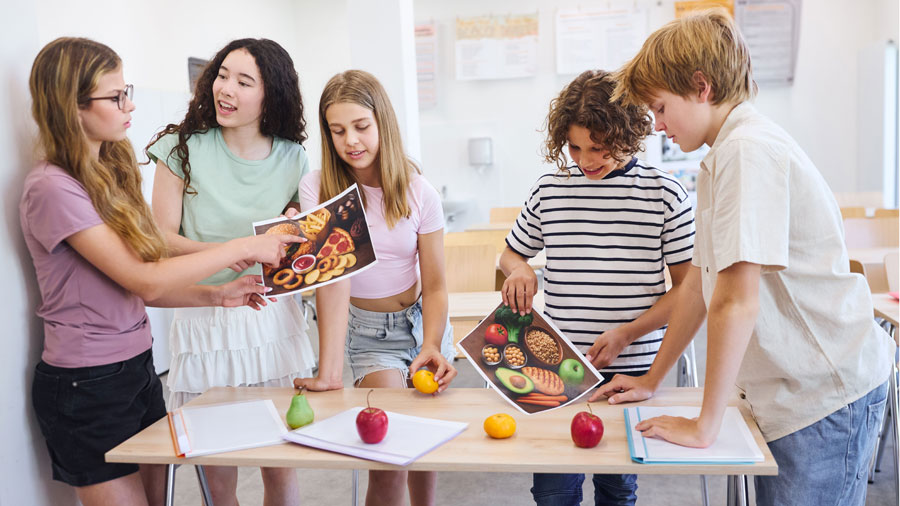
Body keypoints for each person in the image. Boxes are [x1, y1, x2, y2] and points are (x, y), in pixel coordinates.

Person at [593, 10, 895, 506]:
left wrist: (703, 425)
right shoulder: (725, 152)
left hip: (822, 395)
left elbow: (736, 302)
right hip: (790, 391)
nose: (657, 124)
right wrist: (652, 379)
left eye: (661, 107)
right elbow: (698, 283)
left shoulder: (746, 151)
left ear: (701, 86)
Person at [22, 37, 299, 506]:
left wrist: (217, 295)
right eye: (115, 97)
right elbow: (144, 278)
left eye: (126, 90)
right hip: (85, 383)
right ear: (71, 107)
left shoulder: (107, 169)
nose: (130, 105)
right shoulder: (52, 188)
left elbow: (138, 289)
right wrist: (243, 246)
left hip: (137, 369)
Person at [499, 70, 695, 506]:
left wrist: (627, 333)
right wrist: (519, 270)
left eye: (598, 148)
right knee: (552, 489)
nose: (585, 160)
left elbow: (687, 291)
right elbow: (510, 255)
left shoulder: (665, 194)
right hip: (558, 368)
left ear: (629, 134)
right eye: (574, 147)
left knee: (617, 487)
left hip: (632, 369)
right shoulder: (550, 189)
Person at [146, 38, 315, 506]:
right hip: (203, 318)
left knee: (282, 466)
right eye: (223, 75)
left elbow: (295, 240)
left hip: (271, 319)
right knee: (216, 477)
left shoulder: (292, 157)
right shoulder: (178, 148)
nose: (226, 89)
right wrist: (231, 252)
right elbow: (159, 239)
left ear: (271, 94)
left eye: (244, 81)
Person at [293, 70, 458, 506]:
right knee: (388, 457)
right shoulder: (319, 188)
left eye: (361, 126)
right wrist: (329, 373)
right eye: (338, 130)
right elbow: (333, 279)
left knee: (425, 448)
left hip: (423, 324)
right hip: (369, 334)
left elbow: (437, 285)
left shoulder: (419, 192)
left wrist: (433, 343)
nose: (351, 141)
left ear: (383, 122)